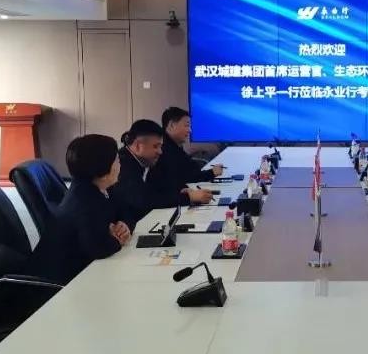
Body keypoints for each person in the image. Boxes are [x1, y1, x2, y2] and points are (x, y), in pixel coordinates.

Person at [30, 135, 132, 284]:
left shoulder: (98, 187)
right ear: (104, 170)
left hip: (79, 273)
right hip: (59, 285)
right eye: (117, 160)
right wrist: (117, 239)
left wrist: (123, 225)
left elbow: (124, 211)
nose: (120, 164)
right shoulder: (84, 201)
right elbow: (98, 248)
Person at [110, 119, 213, 221]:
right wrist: (188, 197)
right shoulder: (123, 167)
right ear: (137, 146)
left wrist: (178, 192)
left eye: (160, 146)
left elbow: (152, 191)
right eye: (155, 146)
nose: (160, 152)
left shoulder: (136, 160)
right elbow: (145, 201)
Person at [155, 107, 223, 190]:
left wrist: (211, 172)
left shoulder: (173, 144)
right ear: (172, 125)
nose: (190, 130)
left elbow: (189, 169)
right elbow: (187, 177)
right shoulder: (164, 147)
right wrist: (211, 173)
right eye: (186, 125)